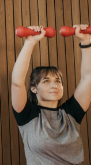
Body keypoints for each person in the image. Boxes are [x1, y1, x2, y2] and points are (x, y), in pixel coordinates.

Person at [11, 25, 91, 165]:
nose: (54, 85)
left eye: (58, 81)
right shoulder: (27, 114)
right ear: (34, 89)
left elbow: (88, 78)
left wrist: (85, 42)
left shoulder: (70, 114)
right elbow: (17, 82)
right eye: (46, 81)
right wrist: (30, 43)